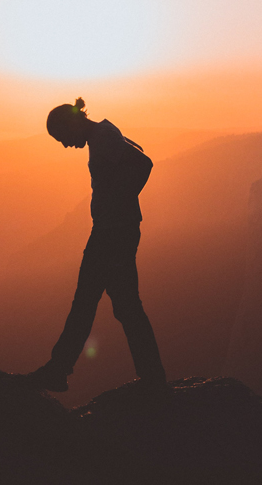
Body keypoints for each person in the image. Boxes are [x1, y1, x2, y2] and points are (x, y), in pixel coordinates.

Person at [26, 98, 167, 392]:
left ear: (72, 124)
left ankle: (59, 369)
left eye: (63, 138)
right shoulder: (103, 134)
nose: (65, 145)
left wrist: (119, 202)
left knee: (89, 303)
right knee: (122, 306)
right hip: (115, 230)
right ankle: (151, 376)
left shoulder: (102, 137)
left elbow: (144, 163)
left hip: (112, 234)